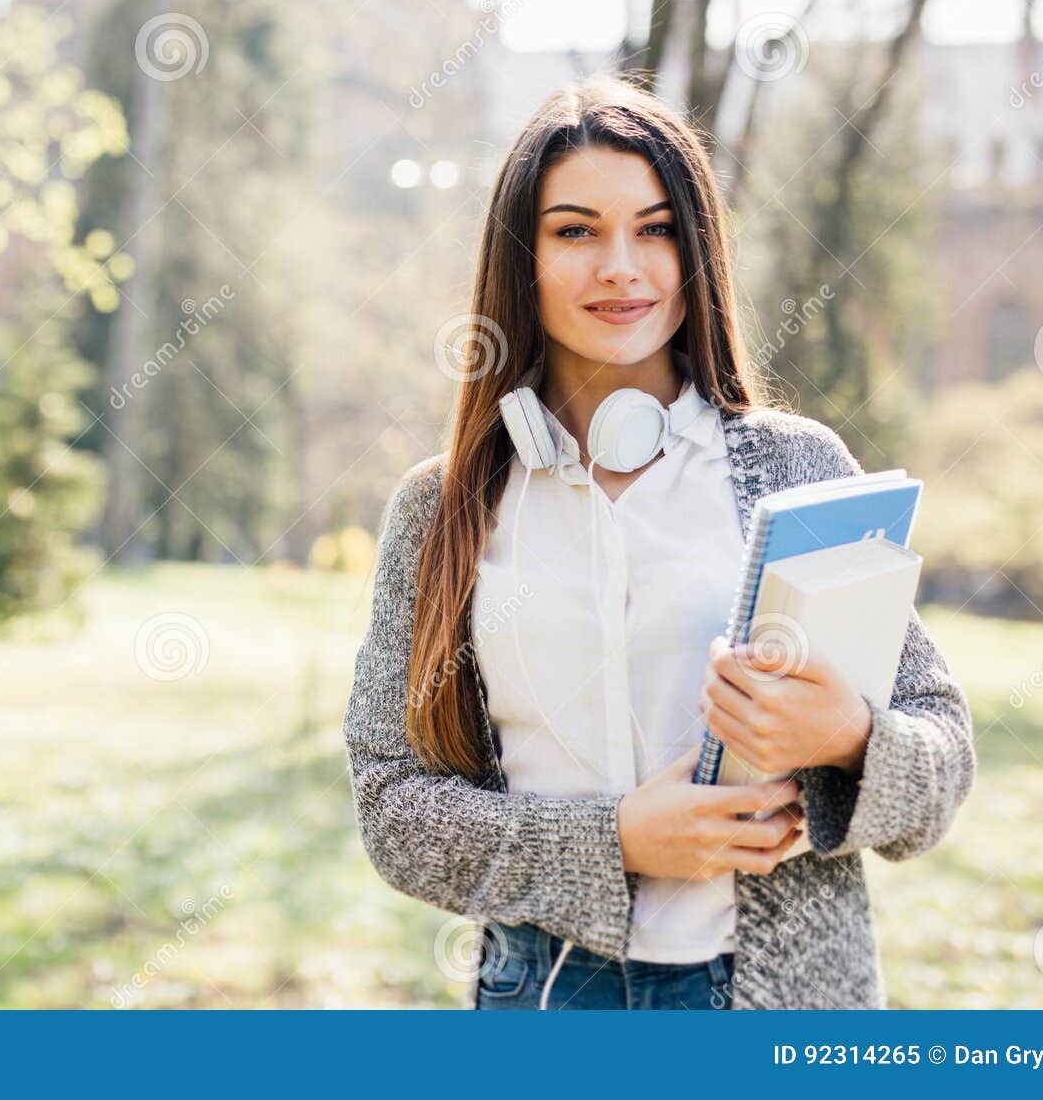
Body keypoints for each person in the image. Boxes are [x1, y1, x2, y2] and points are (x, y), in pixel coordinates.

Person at [342, 75, 975, 1010]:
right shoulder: (440, 508)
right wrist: (618, 841)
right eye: (575, 230)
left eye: (656, 228)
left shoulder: (799, 469)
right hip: (544, 995)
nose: (621, 267)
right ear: (521, 257)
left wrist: (849, 737)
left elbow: (944, 760)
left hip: (773, 998)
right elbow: (393, 802)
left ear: (696, 250)